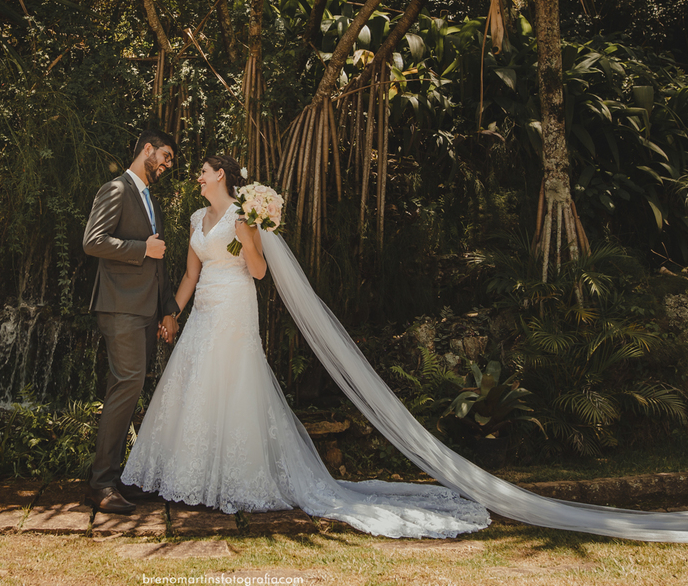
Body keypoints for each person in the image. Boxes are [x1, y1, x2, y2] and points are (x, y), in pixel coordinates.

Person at [120, 154, 489, 538]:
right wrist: (173, 313)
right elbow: (191, 274)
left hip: (234, 307)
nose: (198, 178)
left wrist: (248, 240)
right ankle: (187, 479)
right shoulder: (197, 218)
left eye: (203, 172)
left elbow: (260, 272)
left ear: (221, 176)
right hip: (203, 310)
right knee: (194, 385)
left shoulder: (244, 217)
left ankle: (231, 480)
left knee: (231, 383)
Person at [82, 130, 182, 514]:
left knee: (125, 388)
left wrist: (167, 309)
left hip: (144, 310)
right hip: (120, 307)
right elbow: (93, 241)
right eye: (166, 155)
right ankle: (101, 484)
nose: (168, 164)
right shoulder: (117, 189)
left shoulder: (148, 198)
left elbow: (158, 263)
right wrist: (143, 248)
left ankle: (115, 479)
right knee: (128, 384)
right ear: (147, 149)